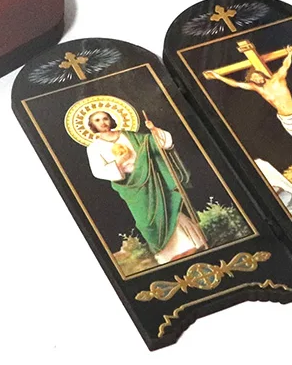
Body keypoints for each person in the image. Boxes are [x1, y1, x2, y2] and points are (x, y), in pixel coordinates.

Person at [206, 46, 292, 184]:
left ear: (261, 74)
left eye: (257, 76)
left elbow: (285, 66)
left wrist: (289, 54)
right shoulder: (260, 90)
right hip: (287, 121)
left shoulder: (278, 79)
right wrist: (218, 76)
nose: (257, 79)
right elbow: (236, 84)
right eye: (253, 79)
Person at [86, 109, 207, 264]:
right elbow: (99, 171)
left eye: (105, 118)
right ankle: (167, 256)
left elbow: (159, 143)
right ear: (92, 125)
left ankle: (189, 245)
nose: (102, 122)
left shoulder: (130, 136)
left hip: (152, 180)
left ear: (111, 120)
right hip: (131, 187)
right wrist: (120, 162)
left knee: (168, 209)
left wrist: (153, 129)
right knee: (146, 223)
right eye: (97, 120)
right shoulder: (94, 148)